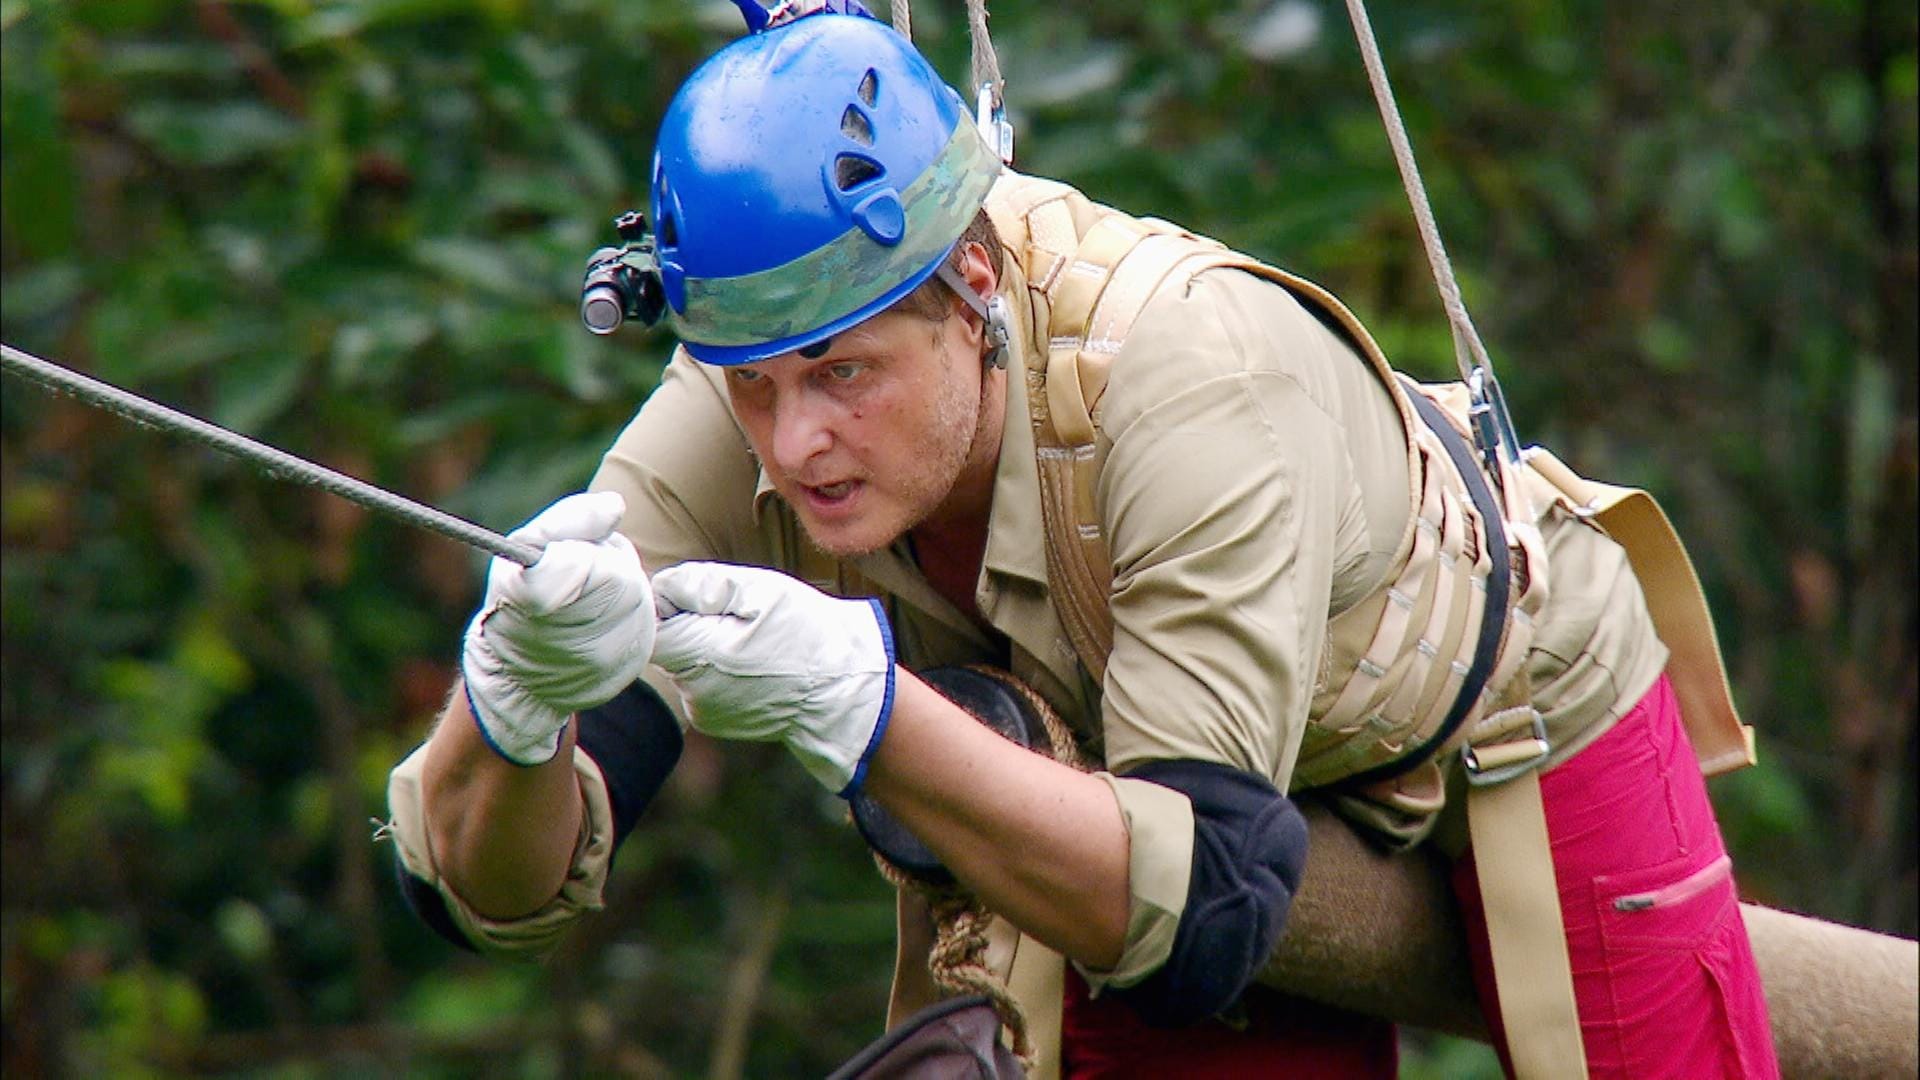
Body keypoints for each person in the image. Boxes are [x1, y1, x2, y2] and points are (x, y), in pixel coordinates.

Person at [383, 7, 1779, 1078]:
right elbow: (475, 897)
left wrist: (866, 713)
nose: (794, 440)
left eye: (845, 377)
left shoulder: (1187, 379)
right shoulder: (750, 379)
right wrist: (512, 711)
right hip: (1165, 784)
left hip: (1500, 704)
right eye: (753, 385)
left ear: (972, 287)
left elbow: (1209, 901)